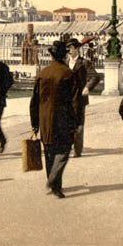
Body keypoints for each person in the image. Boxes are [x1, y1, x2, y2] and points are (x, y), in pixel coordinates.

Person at [29, 40, 77, 199]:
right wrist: (75, 123)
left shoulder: (42, 74)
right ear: (64, 56)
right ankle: (53, 181)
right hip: (63, 120)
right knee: (63, 151)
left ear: (51, 55)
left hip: (44, 122)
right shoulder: (68, 74)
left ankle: (56, 186)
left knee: (50, 153)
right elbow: (74, 102)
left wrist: (35, 123)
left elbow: (34, 102)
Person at [66, 38, 93, 157]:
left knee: (79, 124)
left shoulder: (85, 63)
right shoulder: (65, 63)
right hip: (67, 98)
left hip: (80, 98)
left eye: (71, 48)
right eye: (68, 49)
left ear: (77, 48)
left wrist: (87, 87)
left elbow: (95, 77)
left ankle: (77, 150)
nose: (69, 51)